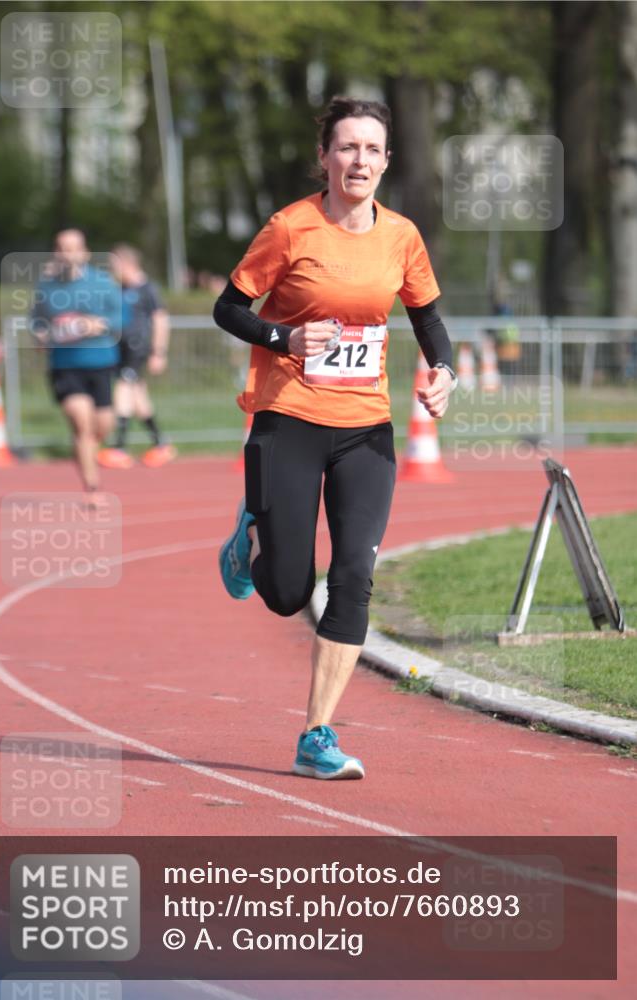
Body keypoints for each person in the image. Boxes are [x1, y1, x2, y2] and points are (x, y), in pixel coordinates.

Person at [214, 96, 457, 780]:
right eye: (346, 147)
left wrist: (443, 372)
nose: (358, 160)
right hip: (288, 418)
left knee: (352, 577)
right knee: (290, 593)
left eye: (371, 149)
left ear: (386, 161)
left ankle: (316, 734)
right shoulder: (289, 228)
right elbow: (228, 307)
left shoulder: (401, 236)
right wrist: (281, 335)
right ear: (324, 157)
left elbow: (427, 318)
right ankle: (253, 534)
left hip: (365, 432)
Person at [31, 229, 122, 505]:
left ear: (84, 252)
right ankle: (92, 489)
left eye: (72, 248)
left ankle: (85, 451)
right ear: (55, 252)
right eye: (61, 248)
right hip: (65, 366)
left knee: (103, 426)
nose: (67, 253)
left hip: (100, 363)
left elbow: (119, 318)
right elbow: (36, 320)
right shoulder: (46, 287)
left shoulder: (103, 282)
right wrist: (41, 334)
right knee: (81, 424)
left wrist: (97, 324)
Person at [98, 244, 176, 469]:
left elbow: (161, 320)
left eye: (115, 266)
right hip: (122, 349)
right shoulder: (120, 289)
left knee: (123, 389)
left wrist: (158, 352)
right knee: (139, 396)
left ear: (127, 264)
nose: (113, 272)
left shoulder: (147, 289)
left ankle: (119, 446)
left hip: (138, 348)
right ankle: (161, 444)